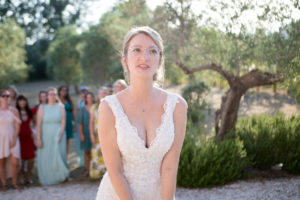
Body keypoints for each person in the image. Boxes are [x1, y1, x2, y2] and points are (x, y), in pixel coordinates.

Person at [96, 26, 188, 200]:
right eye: (137, 50)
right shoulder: (109, 108)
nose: (144, 57)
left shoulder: (177, 106)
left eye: (152, 51)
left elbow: (170, 166)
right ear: (125, 59)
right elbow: (115, 170)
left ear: (160, 60)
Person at [36, 87, 69, 186]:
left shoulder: (61, 106)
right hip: (45, 135)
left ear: (56, 96)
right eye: (50, 94)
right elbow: (38, 124)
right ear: (47, 96)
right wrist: (38, 138)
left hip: (58, 134)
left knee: (59, 154)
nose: (52, 96)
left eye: (54, 94)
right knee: (47, 156)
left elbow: (63, 122)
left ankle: (60, 177)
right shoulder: (42, 107)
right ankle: (48, 178)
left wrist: (60, 135)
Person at [0, 89, 21, 191]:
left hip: (12, 137)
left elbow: (17, 126)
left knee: (15, 162)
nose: (5, 98)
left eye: (7, 96)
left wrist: (14, 138)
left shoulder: (14, 110)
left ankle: (14, 183)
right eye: (3, 96)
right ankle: (4, 185)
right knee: (1, 163)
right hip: (1, 139)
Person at [16, 95, 35, 185]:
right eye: (20, 101)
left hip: (29, 137)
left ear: (26, 102)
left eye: (24, 101)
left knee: (31, 157)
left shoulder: (29, 111)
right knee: (22, 158)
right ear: (17, 102)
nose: (22, 102)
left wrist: (33, 131)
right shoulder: (15, 111)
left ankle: (28, 175)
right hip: (19, 137)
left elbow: (34, 122)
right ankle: (21, 176)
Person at [89, 87, 108, 179]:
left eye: (104, 93)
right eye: (100, 93)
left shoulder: (110, 105)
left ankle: (107, 174)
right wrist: (92, 134)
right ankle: (97, 173)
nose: (102, 95)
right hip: (97, 134)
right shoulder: (94, 107)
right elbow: (91, 122)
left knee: (107, 153)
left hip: (108, 133)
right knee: (97, 153)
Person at [78, 91, 94, 177]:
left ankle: (95, 169)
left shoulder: (96, 107)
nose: (89, 99)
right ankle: (87, 170)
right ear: (85, 99)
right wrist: (81, 134)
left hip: (95, 131)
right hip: (85, 130)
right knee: (87, 151)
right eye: (88, 97)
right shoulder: (82, 109)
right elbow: (80, 123)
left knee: (95, 151)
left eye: (91, 97)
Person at [58, 85, 75, 154]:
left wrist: (74, 124)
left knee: (67, 141)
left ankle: (66, 158)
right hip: (59, 123)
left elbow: (72, 112)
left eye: (66, 90)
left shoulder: (69, 100)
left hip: (68, 122)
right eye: (63, 90)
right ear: (59, 91)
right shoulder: (56, 100)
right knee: (60, 141)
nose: (64, 92)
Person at [74, 86, 88, 167]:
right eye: (82, 92)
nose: (83, 93)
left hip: (87, 123)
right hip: (79, 124)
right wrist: (75, 125)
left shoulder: (89, 101)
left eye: (85, 91)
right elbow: (76, 114)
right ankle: (81, 162)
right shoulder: (78, 102)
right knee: (80, 142)